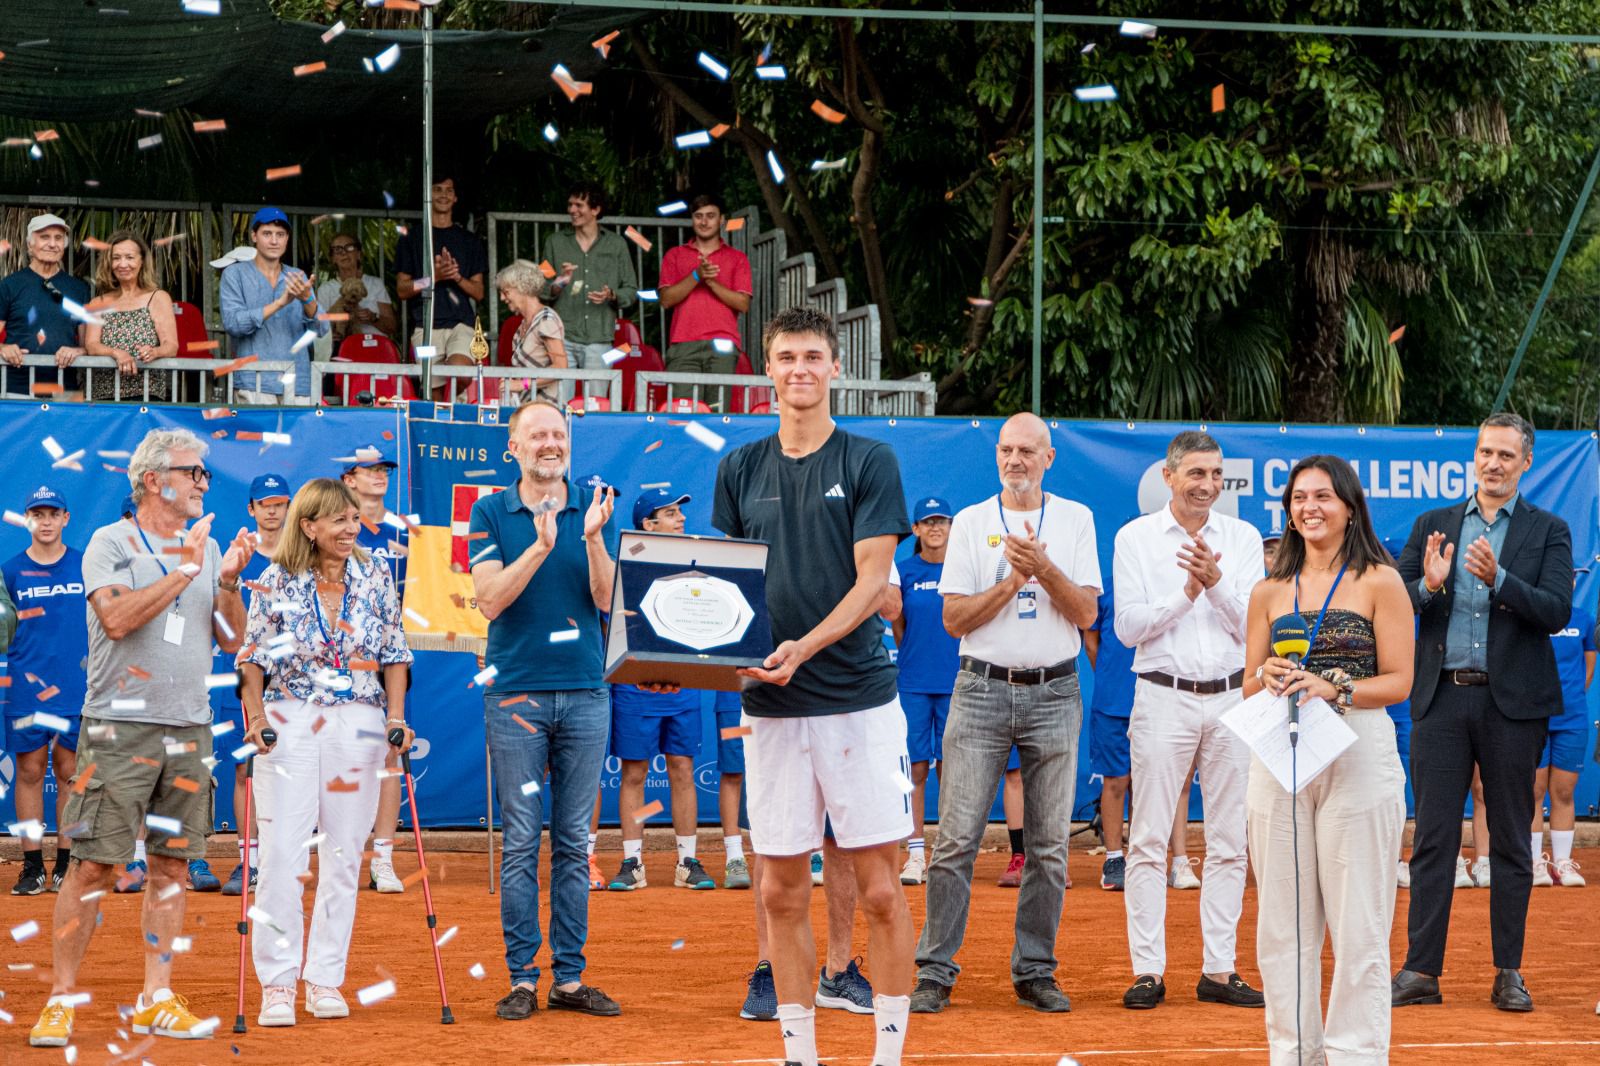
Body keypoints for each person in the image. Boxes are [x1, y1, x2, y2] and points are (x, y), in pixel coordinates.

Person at [711, 306, 914, 1066]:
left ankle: (887, 1057)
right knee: (778, 893)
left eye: (813, 356)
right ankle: (801, 1056)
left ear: (835, 368)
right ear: (768, 369)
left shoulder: (869, 462)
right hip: (771, 704)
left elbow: (871, 583)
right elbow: (724, 589)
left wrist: (806, 646)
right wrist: (717, 655)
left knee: (882, 891)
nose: (800, 368)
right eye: (786, 356)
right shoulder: (736, 468)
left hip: (858, 700)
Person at [30, 427, 254, 1049]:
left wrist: (227, 580)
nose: (203, 483)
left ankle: (156, 995)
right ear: (155, 480)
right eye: (193, 473)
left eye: (205, 474)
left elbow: (230, 640)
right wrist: (185, 570)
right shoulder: (111, 542)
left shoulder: (206, 549)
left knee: (171, 869)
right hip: (117, 726)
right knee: (94, 867)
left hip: (189, 726)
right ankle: (60, 998)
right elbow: (118, 617)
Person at [913, 412, 1100, 1016]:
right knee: (956, 840)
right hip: (982, 688)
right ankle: (935, 972)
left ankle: (1035, 971)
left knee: (1049, 847)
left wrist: (1044, 570)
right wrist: (1014, 577)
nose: (1014, 460)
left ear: (1049, 458)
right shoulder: (969, 522)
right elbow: (954, 620)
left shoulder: (1075, 519)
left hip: (1055, 691)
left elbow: (1087, 614)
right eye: (1005, 450)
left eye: (1027, 451)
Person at [1392, 413, 1573, 1014]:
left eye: (1505, 455)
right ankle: (1420, 971)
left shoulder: (1549, 531)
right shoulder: (1433, 525)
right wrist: (1430, 586)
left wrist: (1501, 580)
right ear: (1474, 458)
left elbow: (1554, 611)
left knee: (1513, 843)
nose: (1492, 463)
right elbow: (1398, 600)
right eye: (1485, 452)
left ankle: (1508, 971)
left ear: (1526, 463)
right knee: (1435, 839)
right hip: (1440, 700)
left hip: (1512, 705)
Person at [1243, 454, 1414, 1065]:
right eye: (1297, 498)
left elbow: (1400, 681)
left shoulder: (1380, 581)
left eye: (1322, 497)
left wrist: (1333, 688)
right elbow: (1247, 685)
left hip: (1358, 751)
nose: (1308, 508)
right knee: (1282, 931)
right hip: (1280, 755)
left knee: (1359, 925)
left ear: (1349, 507)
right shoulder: (1267, 589)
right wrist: (1269, 675)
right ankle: (1292, 1055)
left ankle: (1355, 1057)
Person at [237, 478, 414, 1027]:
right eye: (337, 520)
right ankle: (277, 984)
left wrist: (396, 715)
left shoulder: (377, 574)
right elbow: (251, 660)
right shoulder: (274, 580)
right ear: (309, 526)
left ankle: (324, 979)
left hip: (359, 721)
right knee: (283, 856)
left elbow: (395, 651)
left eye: (354, 519)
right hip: (289, 719)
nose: (350, 528)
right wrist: (258, 717)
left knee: (342, 857)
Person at [469, 399, 620, 1021]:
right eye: (536, 435)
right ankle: (523, 978)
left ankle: (569, 977)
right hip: (517, 696)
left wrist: (588, 542)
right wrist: (537, 547)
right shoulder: (488, 511)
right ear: (514, 448)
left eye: (558, 433)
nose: (549, 443)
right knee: (522, 840)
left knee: (575, 841)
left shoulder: (595, 506)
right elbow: (489, 602)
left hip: (586, 690)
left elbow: (607, 599)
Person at [1113, 431, 1265, 1011]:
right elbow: (1127, 628)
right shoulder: (1137, 538)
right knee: (1149, 838)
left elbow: (1253, 624)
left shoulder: (1243, 537)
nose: (1207, 485)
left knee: (1230, 840)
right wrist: (1187, 593)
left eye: (1215, 474)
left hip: (1232, 697)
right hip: (1161, 695)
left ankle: (1219, 971)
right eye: (1196, 473)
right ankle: (1148, 970)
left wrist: (1217, 583)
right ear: (1169, 477)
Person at [605, 488, 717, 893]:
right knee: (634, 773)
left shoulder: (697, 566)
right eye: (670, 514)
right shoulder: (625, 567)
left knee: (683, 769)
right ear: (648, 526)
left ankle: (687, 861)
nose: (680, 519)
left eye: (679, 512)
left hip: (684, 685)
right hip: (635, 688)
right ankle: (631, 863)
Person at [3, 486, 87, 896]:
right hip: (26, 685)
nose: (46, 521)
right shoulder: (10, 571)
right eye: (38, 514)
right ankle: (32, 865)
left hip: (76, 685)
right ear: (27, 520)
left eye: (54, 513)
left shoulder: (86, 563)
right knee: (31, 771)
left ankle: (67, 864)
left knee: (71, 774)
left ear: (66, 518)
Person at [211, 473, 291, 896]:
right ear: (251, 509)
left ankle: (284, 859)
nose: (273, 509)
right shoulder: (237, 557)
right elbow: (226, 626)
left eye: (280, 502)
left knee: (294, 770)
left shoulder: (304, 555)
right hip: (246, 677)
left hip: (295, 681)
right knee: (247, 768)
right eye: (265, 503)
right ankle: (250, 862)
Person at [339, 445, 408, 894]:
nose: (379, 475)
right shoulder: (335, 528)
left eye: (384, 468)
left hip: (385, 655)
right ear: (349, 479)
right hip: (330, 660)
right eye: (369, 470)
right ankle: (338, 853)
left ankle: (382, 858)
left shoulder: (404, 531)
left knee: (389, 754)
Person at [889, 496, 959, 886]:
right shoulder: (903, 572)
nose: (935, 528)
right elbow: (900, 628)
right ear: (915, 530)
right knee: (915, 768)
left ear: (951, 527)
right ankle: (915, 854)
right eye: (927, 522)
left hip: (956, 683)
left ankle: (947, 856)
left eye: (942, 521)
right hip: (914, 682)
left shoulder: (964, 571)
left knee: (952, 772)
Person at [219, 206, 328, 405]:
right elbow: (234, 324)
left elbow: (321, 329)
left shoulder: (298, 276)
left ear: (287, 238)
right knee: (256, 437)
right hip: (254, 381)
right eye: (267, 233)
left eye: (280, 234)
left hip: (297, 381)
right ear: (254, 236)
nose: (274, 240)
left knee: (298, 437)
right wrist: (279, 303)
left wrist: (307, 300)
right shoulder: (235, 274)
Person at [1530, 569, 1594, 887]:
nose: (1565, 580)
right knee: (1534, 791)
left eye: (1569, 575)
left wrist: (1567, 701)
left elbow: (1587, 669)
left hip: (1572, 719)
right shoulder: (1533, 617)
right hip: (1536, 717)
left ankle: (1563, 863)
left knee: (1564, 791)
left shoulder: (1584, 619)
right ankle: (1533, 864)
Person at [659, 193, 753, 405]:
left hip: (723, 343)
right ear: (692, 219)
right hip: (683, 342)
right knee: (682, 416)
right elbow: (666, 300)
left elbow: (743, 304)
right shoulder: (675, 255)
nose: (704, 221)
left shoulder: (737, 258)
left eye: (710, 215)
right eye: (698, 216)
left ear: (721, 220)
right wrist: (696, 276)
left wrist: (710, 282)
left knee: (717, 414)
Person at [541, 180, 640, 370]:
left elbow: (631, 290)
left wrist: (612, 295)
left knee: (596, 400)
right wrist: (559, 282)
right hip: (561, 336)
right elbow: (540, 287)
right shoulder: (553, 243)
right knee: (559, 399)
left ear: (595, 209)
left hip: (599, 336)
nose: (572, 210)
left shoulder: (617, 244)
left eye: (579, 205)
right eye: (570, 204)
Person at [396, 173, 488, 371]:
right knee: (432, 390)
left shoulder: (470, 241)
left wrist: (456, 277)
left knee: (459, 373)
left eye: (449, 190)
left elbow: (479, 292)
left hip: (462, 325)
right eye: (437, 189)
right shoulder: (411, 239)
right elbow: (402, 290)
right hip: (424, 327)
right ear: (428, 195)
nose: (443, 195)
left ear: (455, 197)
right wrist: (433, 278)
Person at [0, 213, 89, 396]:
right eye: (44, 237)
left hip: (65, 390)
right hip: (16, 391)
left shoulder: (79, 289)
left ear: (64, 246)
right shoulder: (9, 285)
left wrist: (79, 351)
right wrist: (3, 347)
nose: (52, 244)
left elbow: (89, 344)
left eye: (58, 238)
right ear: (30, 245)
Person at [83, 229, 177, 402]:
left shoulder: (158, 297)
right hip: (104, 396)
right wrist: (117, 353)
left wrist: (155, 352)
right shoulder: (98, 302)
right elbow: (91, 345)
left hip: (147, 397)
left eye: (130, 257)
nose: (122, 264)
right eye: (116, 258)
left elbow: (171, 345)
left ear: (142, 261)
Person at [1083, 579, 1135, 892]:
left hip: (1155, 700)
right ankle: (1114, 858)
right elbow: (1091, 643)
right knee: (1115, 781)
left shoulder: (1167, 586)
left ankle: (1142, 856)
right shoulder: (1104, 591)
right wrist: (1110, 677)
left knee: (1145, 784)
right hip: (1112, 701)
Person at [496, 259, 568, 405]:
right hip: (529, 407)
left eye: (506, 292)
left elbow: (560, 367)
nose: (502, 298)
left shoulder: (546, 319)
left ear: (522, 288)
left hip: (546, 409)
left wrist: (522, 384)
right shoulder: (523, 325)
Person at [317, 232, 397, 346]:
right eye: (337, 250)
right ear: (333, 259)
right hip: (340, 348)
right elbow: (319, 323)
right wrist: (334, 329)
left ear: (359, 254)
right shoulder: (325, 289)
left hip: (375, 346)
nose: (344, 253)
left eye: (349, 247)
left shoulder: (375, 284)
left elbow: (392, 326)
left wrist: (374, 318)